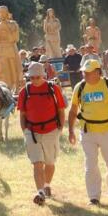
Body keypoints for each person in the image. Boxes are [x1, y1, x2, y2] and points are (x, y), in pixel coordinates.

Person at [68, 59, 108, 205]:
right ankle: (94, 197)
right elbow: (73, 110)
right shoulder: (80, 87)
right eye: (84, 72)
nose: (85, 75)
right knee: (90, 165)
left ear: (97, 72)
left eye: (88, 72)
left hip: (107, 131)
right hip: (87, 132)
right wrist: (71, 130)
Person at [18, 62, 65, 205]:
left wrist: (60, 129)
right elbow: (22, 114)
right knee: (37, 163)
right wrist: (25, 130)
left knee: (49, 163)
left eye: (37, 77)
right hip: (32, 132)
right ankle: (40, 192)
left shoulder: (53, 88)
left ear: (43, 76)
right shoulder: (24, 91)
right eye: (32, 77)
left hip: (51, 130)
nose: (35, 80)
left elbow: (61, 110)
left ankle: (46, 184)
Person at [0, 5, 23, 91]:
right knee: (1, 70)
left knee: (13, 69)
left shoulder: (13, 24)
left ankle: (15, 87)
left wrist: (8, 28)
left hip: (10, 49)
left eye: (2, 12)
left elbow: (16, 38)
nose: (0, 14)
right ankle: (3, 87)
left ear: (6, 13)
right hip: (0, 50)